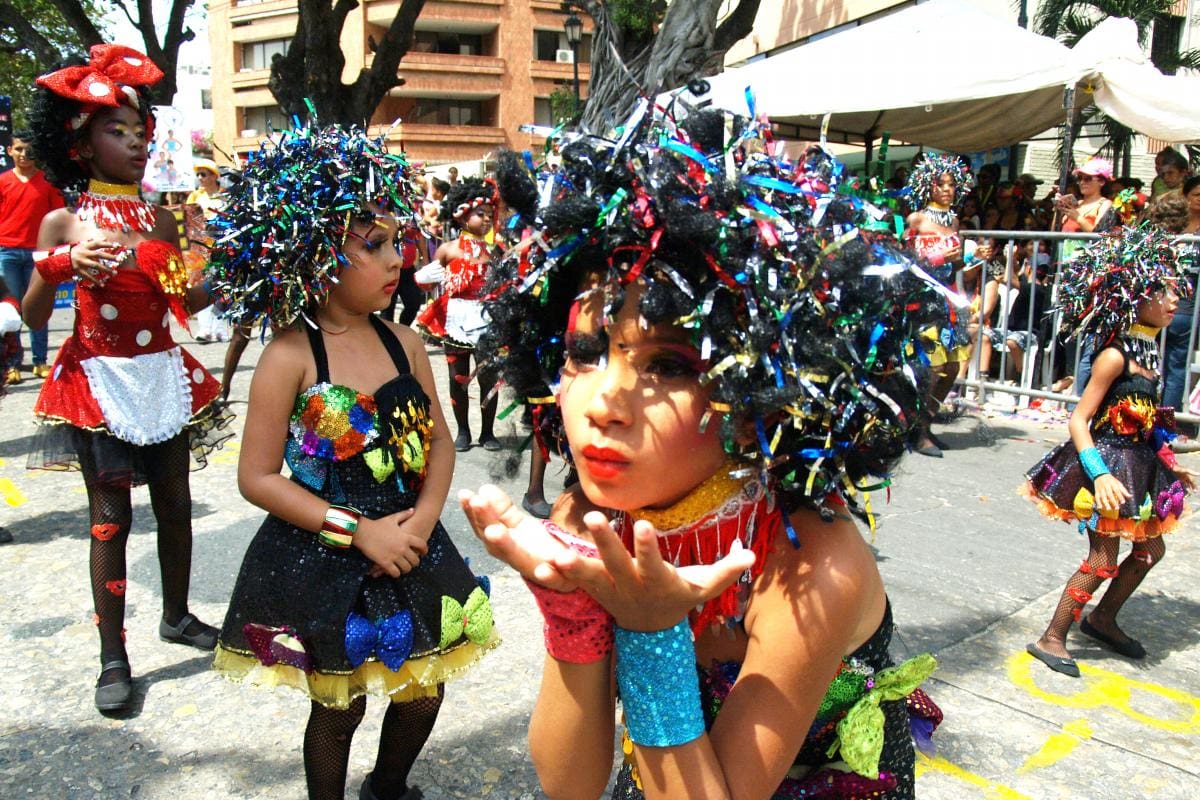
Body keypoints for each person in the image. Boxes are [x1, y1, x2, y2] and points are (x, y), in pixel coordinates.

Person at [462, 103, 946, 800]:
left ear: (755, 401)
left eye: (669, 366)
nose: (605, 403)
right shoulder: (586, 521)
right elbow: (568, 784)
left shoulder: (813, 561)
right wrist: (570, 611)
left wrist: (649, 628)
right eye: (585, 352)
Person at [208, 122, 497, 800]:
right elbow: (257, 478)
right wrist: (357, 530)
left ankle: (388, 785)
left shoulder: (407, 343)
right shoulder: (289, 356)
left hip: (412, 543)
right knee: (339, 706)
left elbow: (442, 443)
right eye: (375, 245)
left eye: (398, 241)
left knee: (424, 688)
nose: (397, 257)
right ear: (314, 258)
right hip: (328, 554)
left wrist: (421, 522)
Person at [23, 45, 233, 714]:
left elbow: (185, 302)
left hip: (162, 378)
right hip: (98, 385)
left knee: (175, 503)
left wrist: (236, 261)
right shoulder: (65, 220)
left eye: (141, 131)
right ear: (79, 145)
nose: (138, 142)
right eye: (120, 131)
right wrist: (60, 263)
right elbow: (29, 313)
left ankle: (177, 616)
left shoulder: (162, 219)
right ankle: (113, 656)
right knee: (110, 519)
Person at [1024, 225, 1195, 677]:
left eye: (1175, 291)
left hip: (1139, 468)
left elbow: (1149, 420)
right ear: (1132, 295)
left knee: (1149, 551)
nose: (1174, 300)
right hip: (1108, 469)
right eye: (1162, 291)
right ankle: (1052, 636)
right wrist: (1099, 475)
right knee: (1102, 560)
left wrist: (1173, 466)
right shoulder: (1114, 356)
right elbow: (1079, 420)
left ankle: (1102, 619)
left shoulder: (1149, 350)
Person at [414, 178, 500, 451]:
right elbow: (428, 282)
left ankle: (487, 432)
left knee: (488, 377)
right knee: (457, 378)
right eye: (480, 214)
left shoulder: (496, 251)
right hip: (455, 321)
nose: (486, 220)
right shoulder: (447, 249)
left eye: (489, 215)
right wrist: (424, 278)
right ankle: (463, 431)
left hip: (487, 321)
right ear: (463, 216)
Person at [905, 153, 975, 457]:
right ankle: (916, 431)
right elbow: (903, 262)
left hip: (947, 300)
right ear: (927, 186)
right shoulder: (917, 219)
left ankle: (927, 424)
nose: (947, 190)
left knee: (952, 367)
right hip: (922, 302)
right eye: (940, 184)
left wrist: (970, 258)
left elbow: (956, 267)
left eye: (951, 184)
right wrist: (936, 259)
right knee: (932, 368)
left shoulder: (955, 221)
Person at [0, 128, 66, 384]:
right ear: (10, 151)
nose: (24, 154)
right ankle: (13, 364)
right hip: (6, 251)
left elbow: (59, 218)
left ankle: (40, 361)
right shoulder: (3, 181)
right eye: (18, 149)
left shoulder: (48, 182)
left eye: (29, 149)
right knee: (11, 310)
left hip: (39, 253)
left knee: (38, 306)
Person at [1157, 179, 1200, 414]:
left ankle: (1164, 424)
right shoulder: (1168, 228)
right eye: (1196, 194)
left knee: (1176, 365)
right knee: (1149, 361)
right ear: (1185, 195)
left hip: (1186, 308)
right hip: (1156, 305)